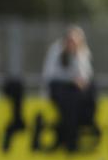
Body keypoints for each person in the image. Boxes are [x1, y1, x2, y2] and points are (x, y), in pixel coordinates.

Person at [41, 25, 97, 153]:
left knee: (89, 91)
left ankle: (86, 122)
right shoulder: (56, 50)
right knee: (69, 101)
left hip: (75, 91)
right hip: (59, 88)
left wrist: (77, 57)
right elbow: (50, 74)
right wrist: (72, 79)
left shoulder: (82, 52)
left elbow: (86, 75)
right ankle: (70, 142)